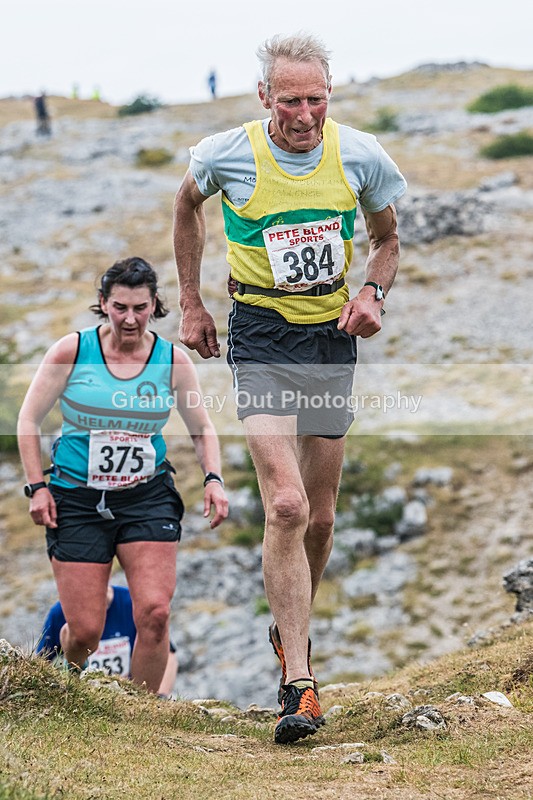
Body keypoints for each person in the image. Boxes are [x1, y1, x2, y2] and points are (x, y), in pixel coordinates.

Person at [173, 32, 406, 744]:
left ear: (328, 95)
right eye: (290, 101)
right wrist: (191, 302)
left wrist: (372, 292)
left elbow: (387, 239)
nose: (304, 115)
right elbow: (186, 206)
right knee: (285, 504)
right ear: (264, 97)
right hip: (261, 333)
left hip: (330, 337)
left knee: (322, 519)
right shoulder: (226, 154)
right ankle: (299, 683)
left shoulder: (360, 154)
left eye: (316, 100)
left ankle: (288, 632)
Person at [18, 256, 228, 694]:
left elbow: (202, 428)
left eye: (140, 308)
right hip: (77, 500)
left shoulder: (171, 361)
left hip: (145, 497)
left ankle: (142, 714)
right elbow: (28, 420)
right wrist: (37, 488)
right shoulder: (72, 351)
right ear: (103, 304)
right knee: (85, 632)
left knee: (155, 613)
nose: (130, 319)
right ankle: (69, 683)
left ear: (154, 306)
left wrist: (213, 478)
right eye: (120, 307)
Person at [36, 583, 179, 696]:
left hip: (130, 698)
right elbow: (41, 662)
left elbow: (169, 656)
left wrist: (160, 696)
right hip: (84, 698)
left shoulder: (132, 604)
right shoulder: (59, 613)